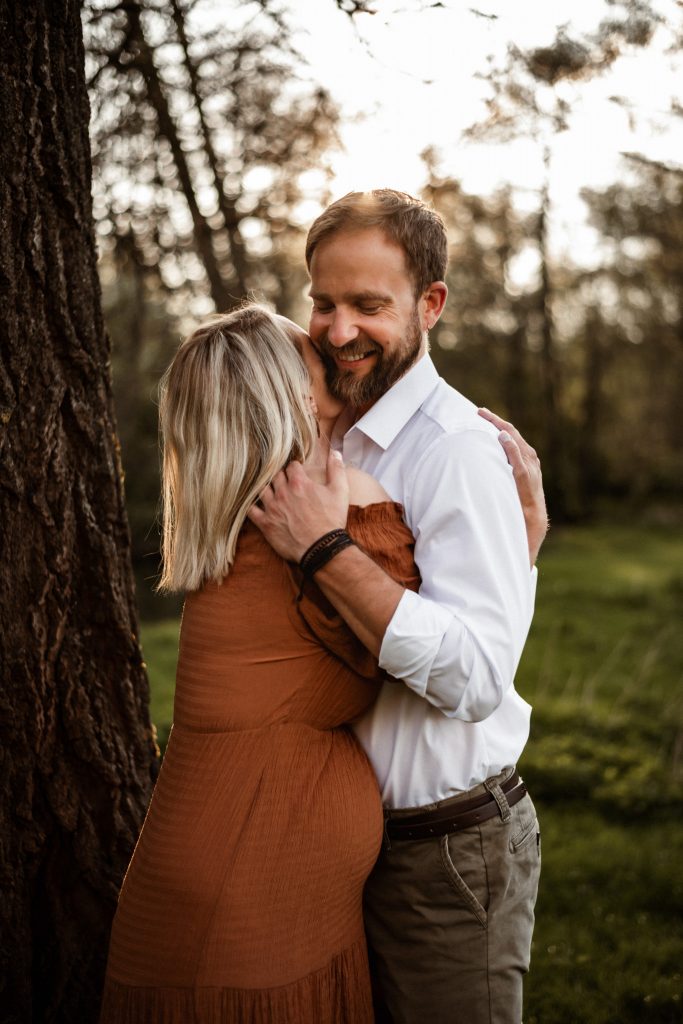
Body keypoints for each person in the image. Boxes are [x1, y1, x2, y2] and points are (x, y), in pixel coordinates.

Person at [248, 189, 546, 1024]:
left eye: (368, 305)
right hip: (342, 846)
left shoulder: (454, 452)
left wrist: (325, 549)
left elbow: (475, 678)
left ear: (430, 304)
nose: (338, 329)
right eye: (323, 302)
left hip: (444, 852)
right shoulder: (327, 428)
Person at [98, 304, 420, 1023]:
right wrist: (520, 544)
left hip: (220, 888)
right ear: (291, 394)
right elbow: (432, 651)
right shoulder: (331, 506)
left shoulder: (238, 519)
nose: (332, 349)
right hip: (247, 910)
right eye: (312, 352)